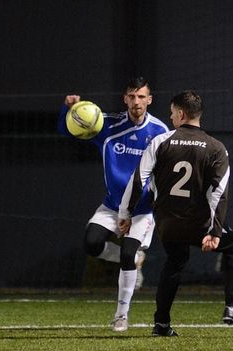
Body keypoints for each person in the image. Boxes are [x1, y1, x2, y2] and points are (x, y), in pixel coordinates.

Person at [119, 90, 233, 336]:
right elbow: (219, 193)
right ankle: (232, 307)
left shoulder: (161, 141)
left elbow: (138, 179)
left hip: (167, 223)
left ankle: (161, 324)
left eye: (172, 113)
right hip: (198, 223)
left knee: (175, 262)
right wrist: (214, 231)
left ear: (181, 114)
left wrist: (125, 214)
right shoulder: (216, 147)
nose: (171, 117)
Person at [57, 77, 169, 332]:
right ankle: (135, 259)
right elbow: (66, 130)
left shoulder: (160, 132)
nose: (137, 101)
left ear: (149, 100)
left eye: (141, 97)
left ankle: (121, 315)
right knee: (91, 244)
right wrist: (68, 109)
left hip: (142, 210)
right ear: (125, 99)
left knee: (127, 254)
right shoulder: (106, 125)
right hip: (112, 206)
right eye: (132, 96)